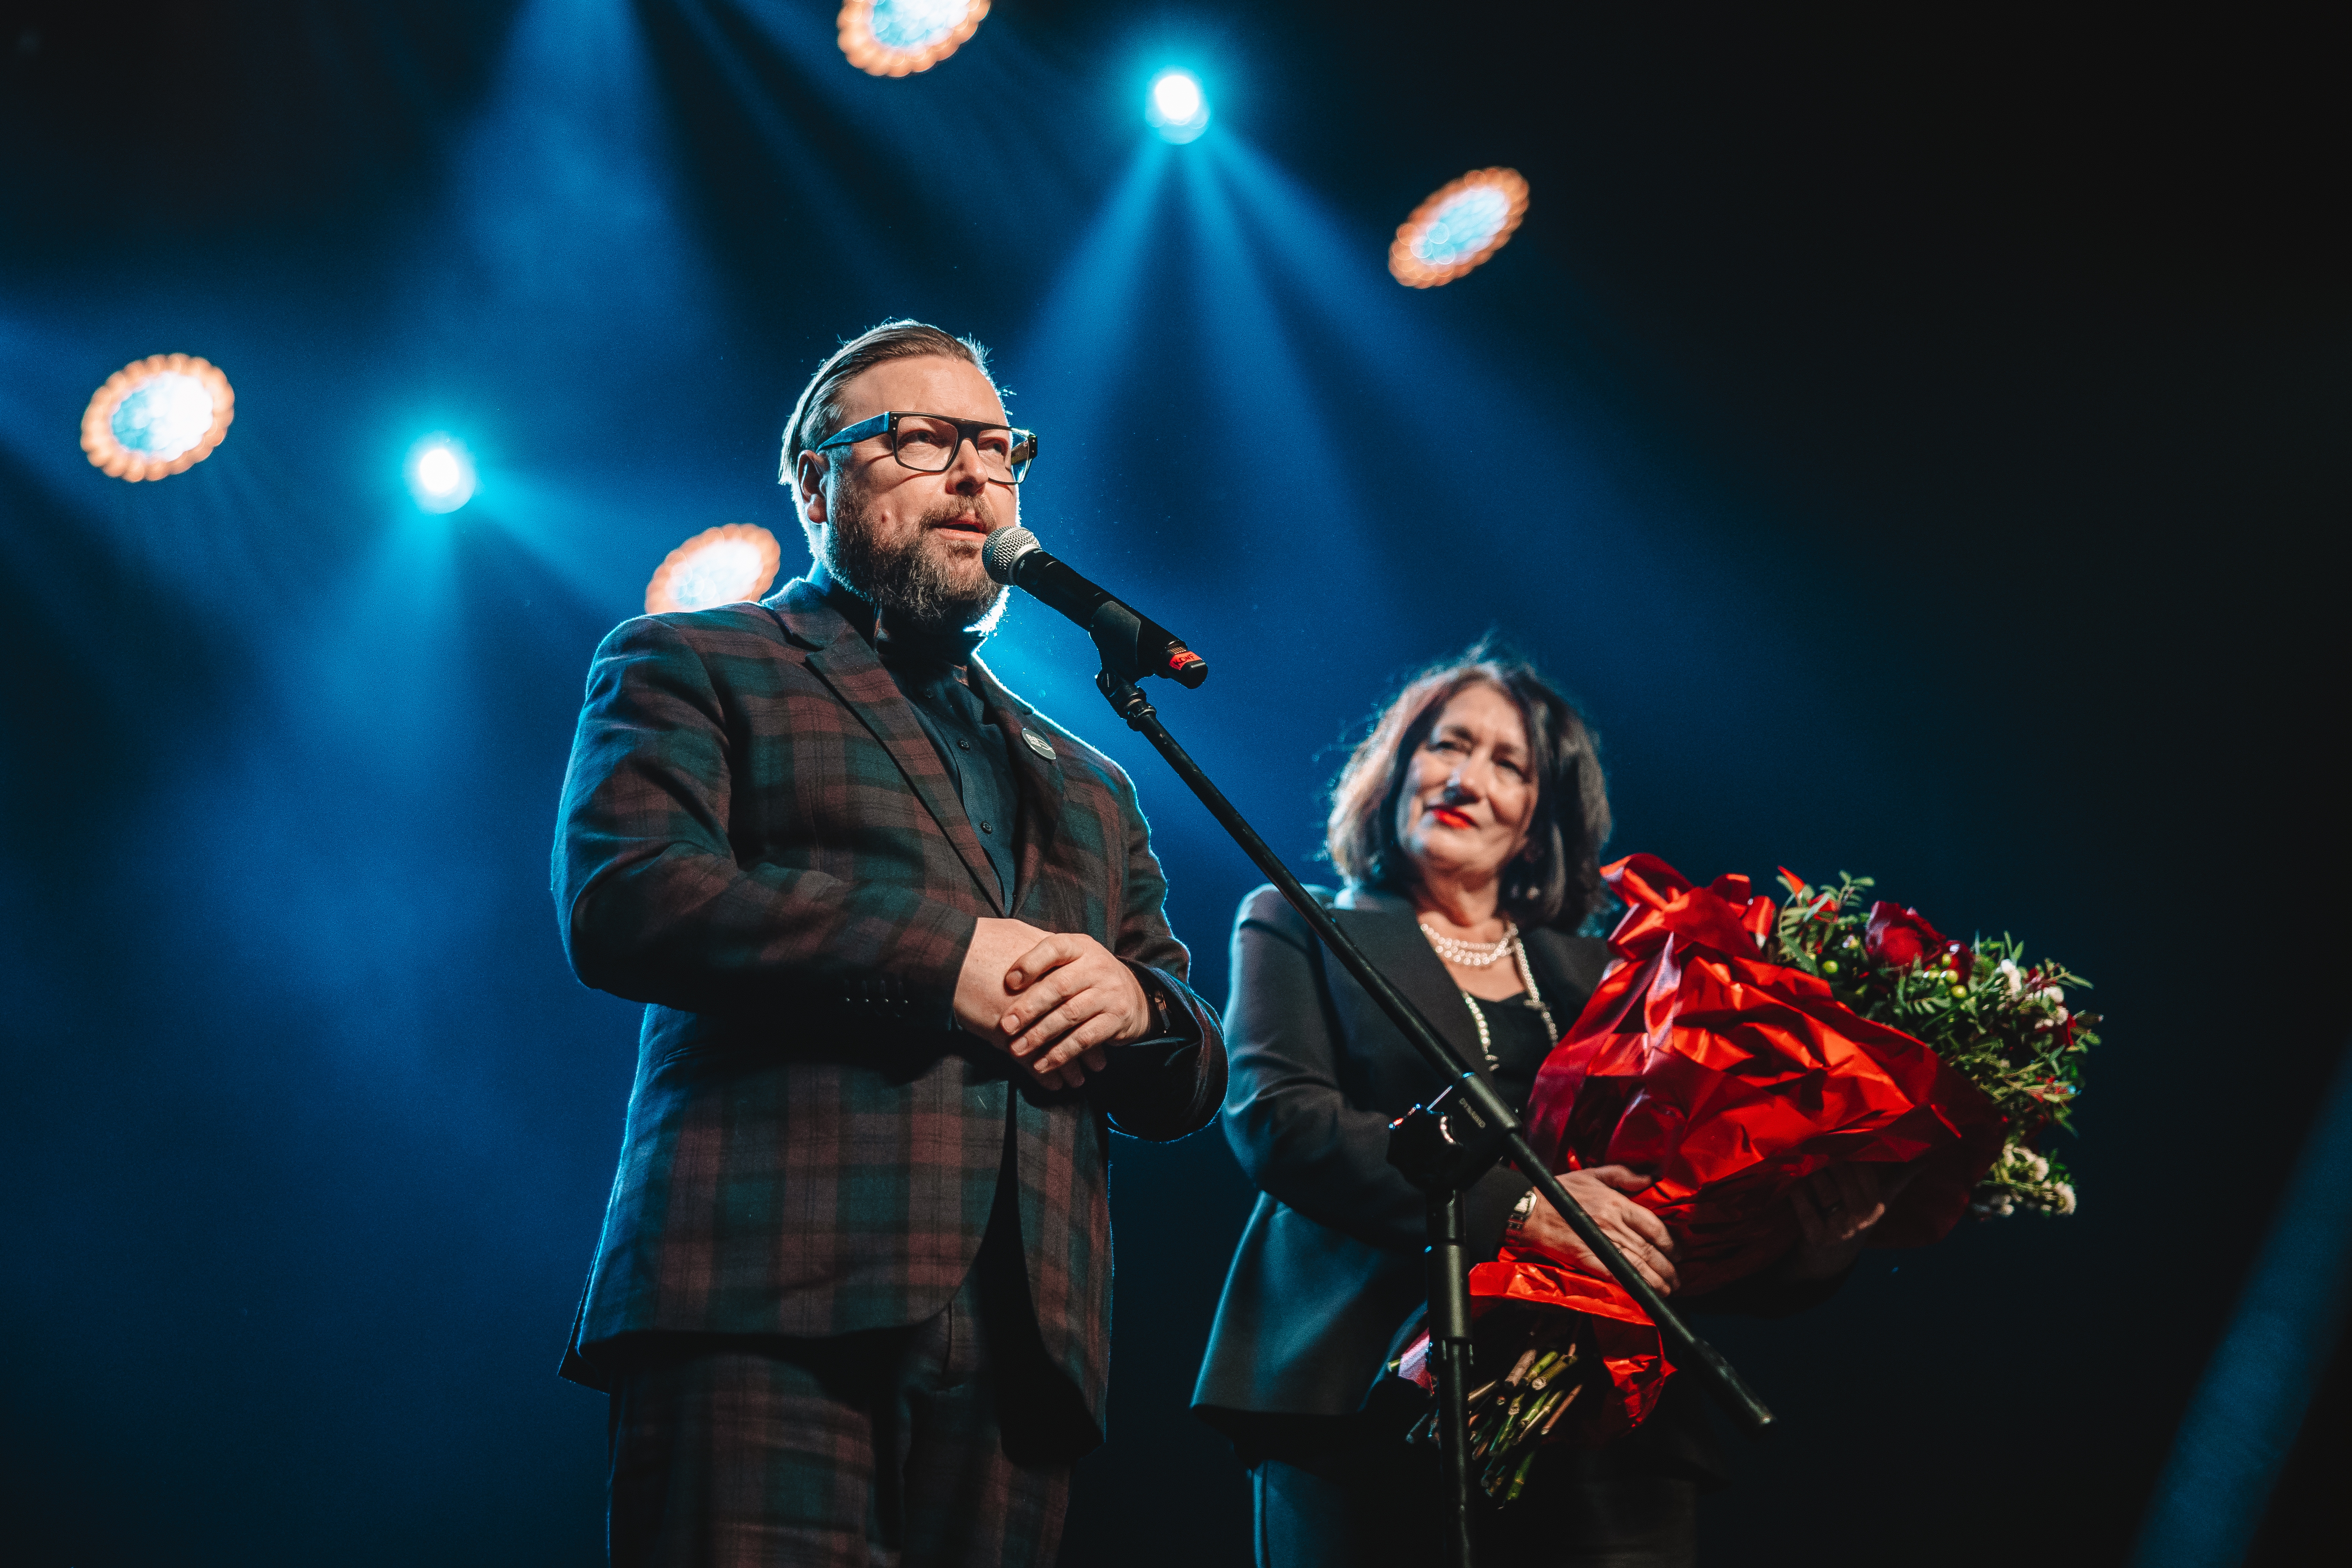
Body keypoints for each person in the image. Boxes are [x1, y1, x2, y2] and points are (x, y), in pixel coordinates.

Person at [552, 319, 1226, 1568]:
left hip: (1029, 1344)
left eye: (999, 446)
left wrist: (1138, 1007)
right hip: (768, 1291)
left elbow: (1190, 1071)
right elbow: (630, 895)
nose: (977, 474)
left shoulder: (1091, 779)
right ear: (814, 480)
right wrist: (940, 961)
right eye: (925, 439)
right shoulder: (695, 659)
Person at [1192, 650, 1890, 1567]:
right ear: (1398, 769)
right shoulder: (1297, 922)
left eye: (1506, 764)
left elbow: (1662, 1210)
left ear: (1537, 821)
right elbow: (1281, 1124)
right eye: (1445, 746)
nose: (1463, 779)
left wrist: (1813, 1245)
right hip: (1359, 1394)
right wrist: (1521, 1209)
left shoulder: (1610, 975)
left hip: (1604, 1415)